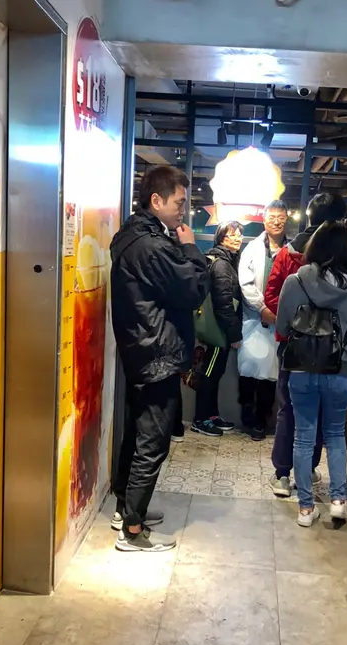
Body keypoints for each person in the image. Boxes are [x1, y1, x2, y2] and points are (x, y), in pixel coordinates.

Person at [110, 166, 209, 551]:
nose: (183, 210)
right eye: (179, 202)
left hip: (141, 350)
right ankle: (132, 530)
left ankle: (126, 507)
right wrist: (190, 248)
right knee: (153, 442)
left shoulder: (130, 236)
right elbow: (193, 289)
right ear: (156, 200)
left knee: (137, 435)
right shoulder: (153, 246)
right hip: (157, 355)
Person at [276, 222, 347, 525]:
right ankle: (338, 501)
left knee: (303, 438)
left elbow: (282, 326)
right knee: (336, 434)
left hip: (301, 368)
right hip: (340, 368)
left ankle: (305, 509)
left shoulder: (295, 282)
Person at [264, 192, 347, 498]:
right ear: (339, 220)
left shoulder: (288, 253)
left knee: (288, 409)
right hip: (330, 348)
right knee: (320, 411)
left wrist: (295, 320)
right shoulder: (340, 257)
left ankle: (283, 474)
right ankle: (307, 470)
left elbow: (271, 295)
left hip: (292, 344)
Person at [238, 200, 289, 441]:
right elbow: (245, 283)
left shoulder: (292, 249)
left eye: (281, 217)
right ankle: (247, 415)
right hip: (255, 319)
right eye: (272, 217)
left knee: (271, 374)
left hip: (281, 320)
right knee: (249, 370)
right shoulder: (252, 248)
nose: (276, 222)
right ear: (264, 219)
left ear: (287, 219)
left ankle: (262, 419)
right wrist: (262, 308)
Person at [192, 221, 244, 436]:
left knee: (215, 373)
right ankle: (200, 419)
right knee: (209, 374)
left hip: (218, 328)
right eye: (232, 234)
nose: (238, 238)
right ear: (222, 238)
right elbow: (224, 303)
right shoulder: (222, 264)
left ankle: (212, 416)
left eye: (239, 234)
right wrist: (234, 334)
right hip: (217, 330)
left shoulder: (225, 261)